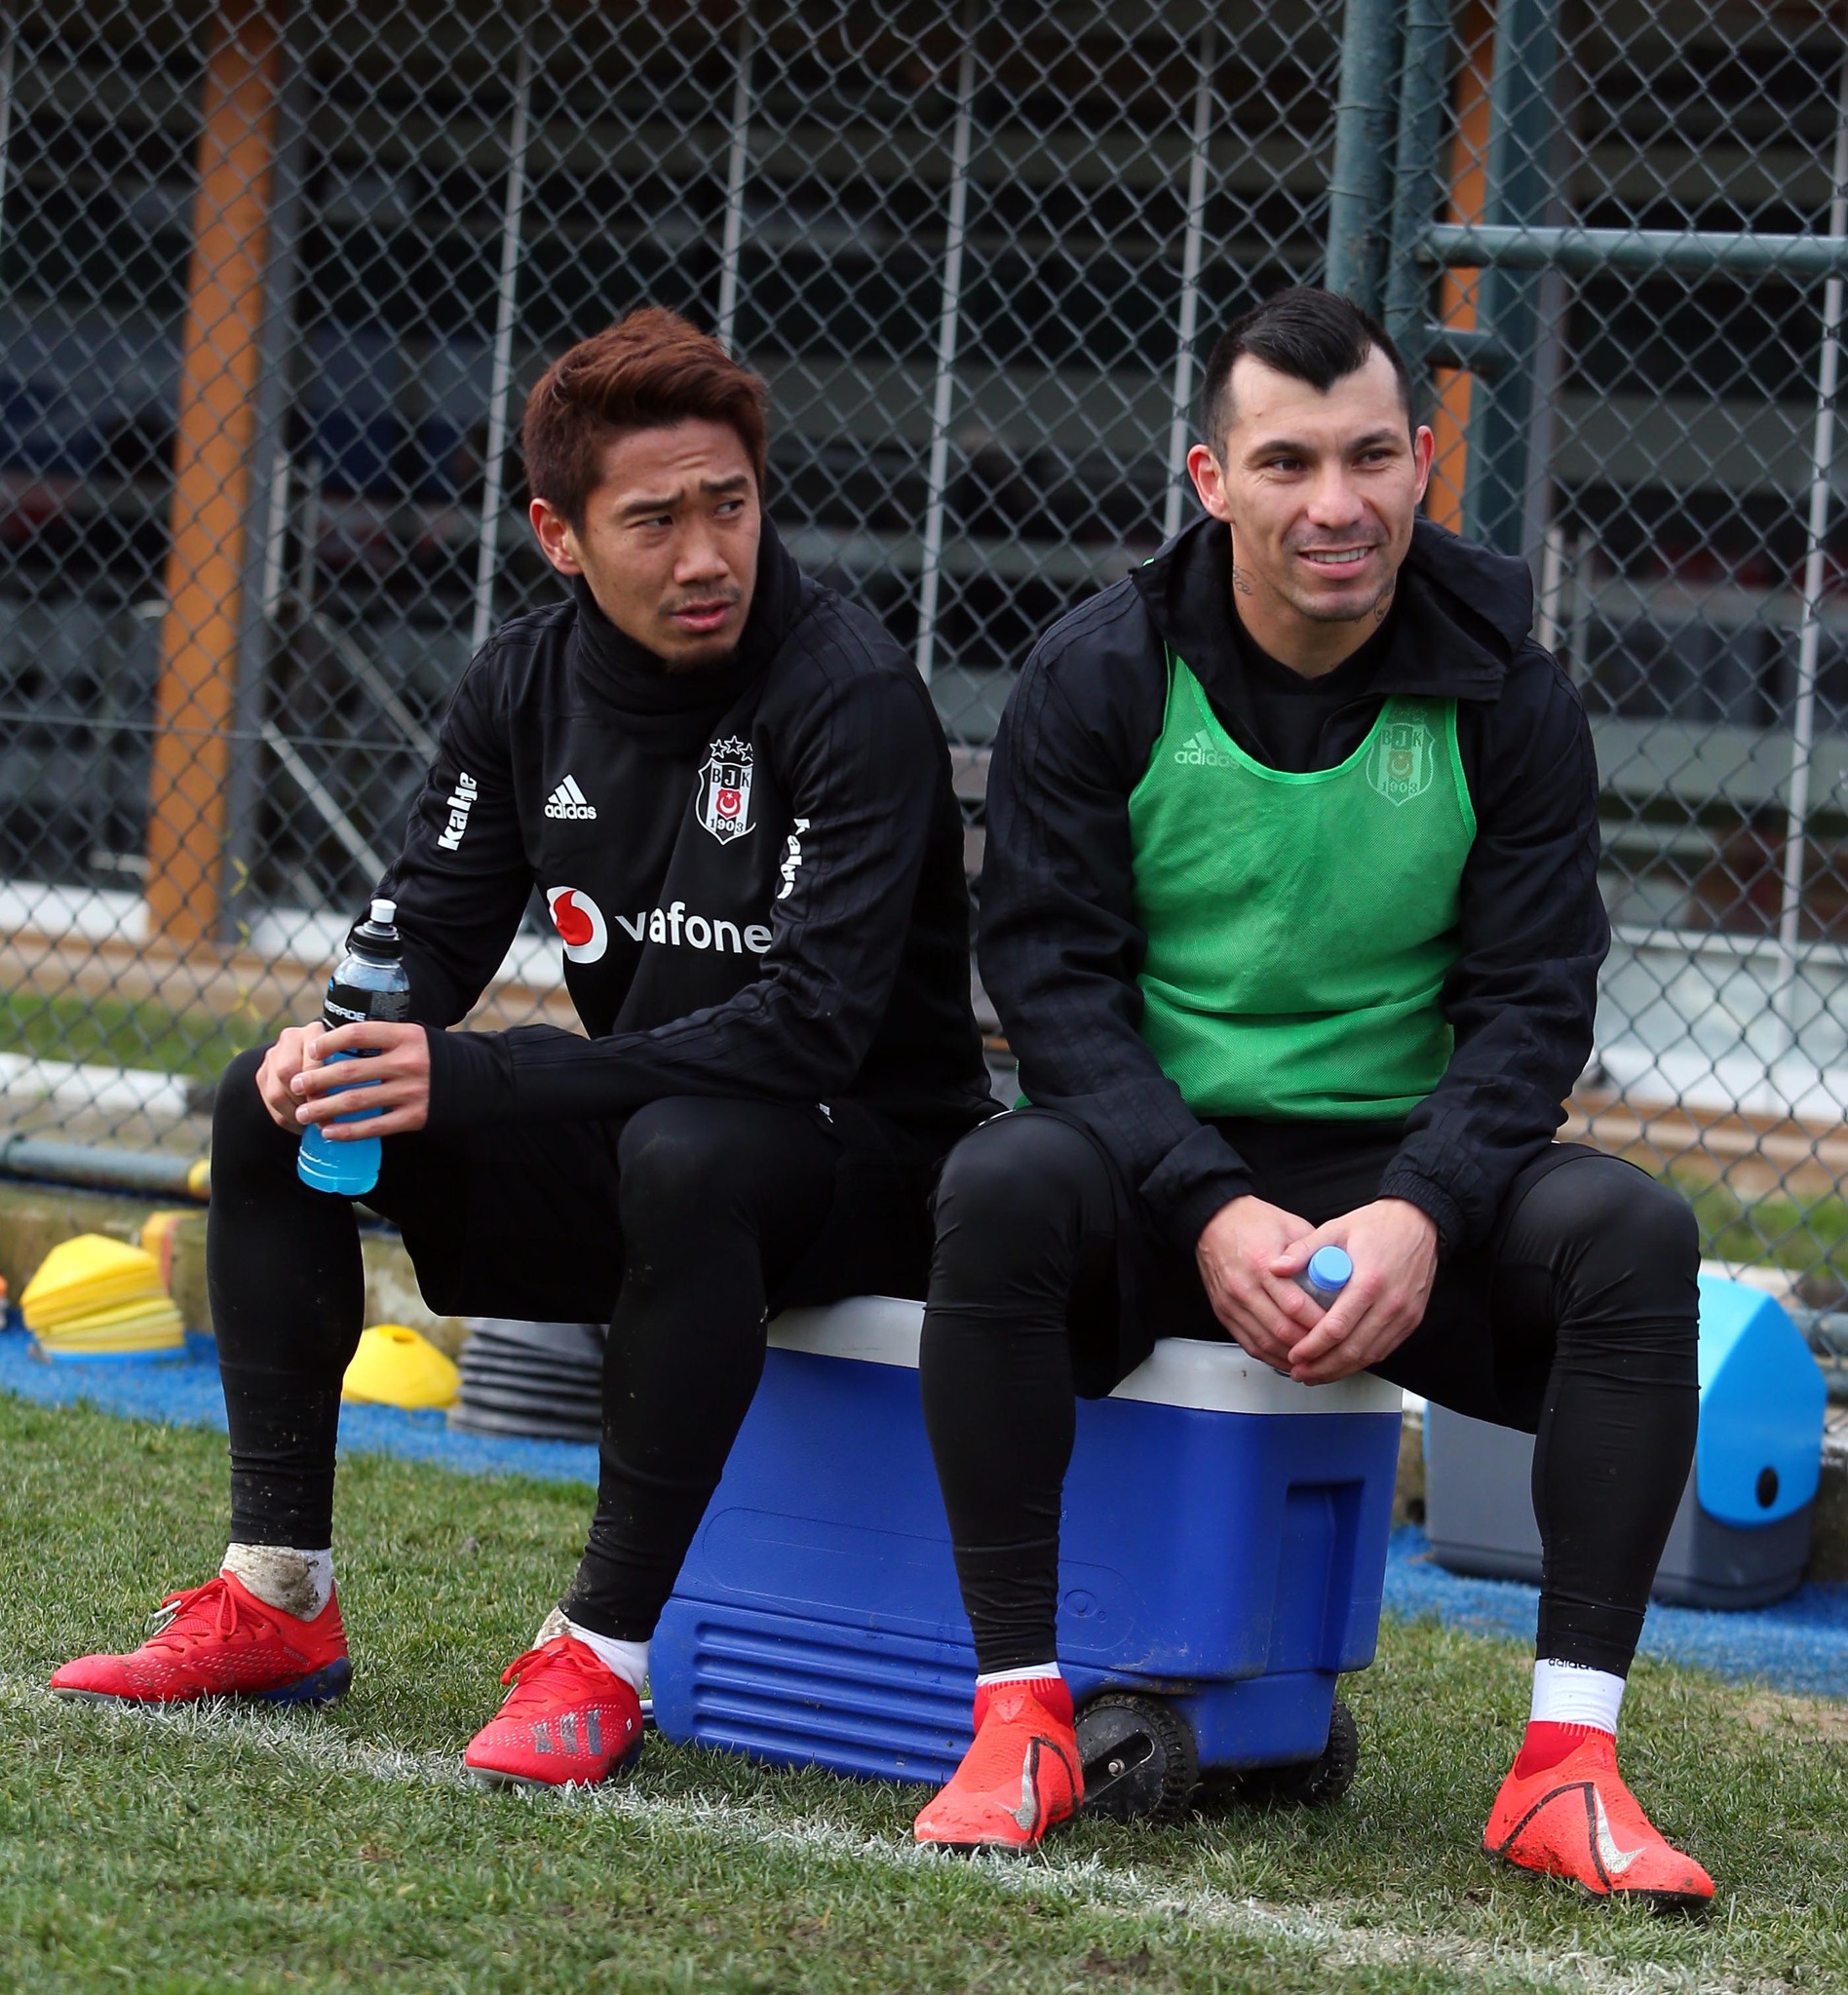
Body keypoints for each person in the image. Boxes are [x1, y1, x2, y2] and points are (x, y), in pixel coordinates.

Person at [53, 307, 994, 1791]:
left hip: (864, 1168)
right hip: (653, 1143)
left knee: (688, 1151)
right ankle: (277, 1596)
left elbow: (812, 1025)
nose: (706, 554)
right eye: (655, 521)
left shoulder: (851, 696)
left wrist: (490, 1071)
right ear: (561, 535)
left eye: (731, 506)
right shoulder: (522, 680)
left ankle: (599, 1654)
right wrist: (341, 1040)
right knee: (268, 1104)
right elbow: (427, 929)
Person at [910, 288, 1713, 1911]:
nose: (1334, 504)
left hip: (1400, 1181)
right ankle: (1019, 1722)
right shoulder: (1101, 672)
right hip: (1161, 1173)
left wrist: (1426, 1206)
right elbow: (1052, 987)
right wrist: (1204, 1203)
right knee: (996, 1190)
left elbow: (1533, 1004)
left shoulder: (1510, 691)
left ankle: (1567, 1765)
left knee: (1632, 1237)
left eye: (1368, 458)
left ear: (1422, 462)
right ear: (1214, 482)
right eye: (1286, 463)